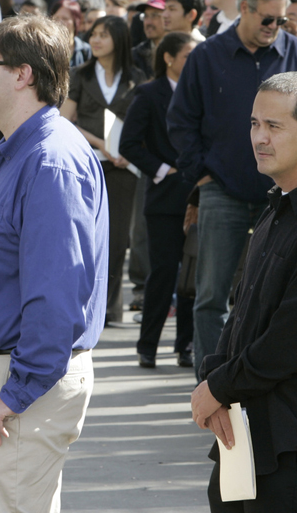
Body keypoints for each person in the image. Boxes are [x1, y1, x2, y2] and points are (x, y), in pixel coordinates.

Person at [0, 14, 107, 513]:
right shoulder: (26, 151)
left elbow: (58, 293)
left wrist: (14, 393)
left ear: (22, 75)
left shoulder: (49, 160)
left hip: (21, 381)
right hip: (5, 374)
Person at [191, 71, 297, 512]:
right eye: (254, 124)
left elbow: (289, 342)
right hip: (242, 433)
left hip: (291, 445)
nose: (259, 137)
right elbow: (242, 312)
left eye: (274, 126)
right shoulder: (279, 206)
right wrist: (214, 379)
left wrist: (218, 387)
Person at [167, 0, 297, 375]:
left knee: (276, 297)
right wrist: (202, 176)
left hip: (287, 195)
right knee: (211, 297)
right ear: (245, 9)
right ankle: (209, 385)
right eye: (268, 19)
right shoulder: (207, 56)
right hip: (223, 192)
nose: (275, 27)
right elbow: (181, 120)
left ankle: (257, 385)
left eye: (282, 20)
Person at [60, 15, 145, 323]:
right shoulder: (79, 75)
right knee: (82, 236)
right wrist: (99, 143)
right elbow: (63, 120)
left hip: (124, 167)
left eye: (103, 35)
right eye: (93, 34)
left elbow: (145, 122)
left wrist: (130, 153)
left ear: (119, 40)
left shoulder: (137, 78)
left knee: (117, 239)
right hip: (87, 162)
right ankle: (80, 304)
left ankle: (109, 308)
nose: (95, 40)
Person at [119, 32, 197, 367]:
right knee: (163, 273)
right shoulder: (149, 93)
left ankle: (186, 347)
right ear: (168, 58)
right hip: (164, 199)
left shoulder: (201, 91)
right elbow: (128, 144)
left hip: (198, 195)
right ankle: (148, 345)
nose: (193, 63)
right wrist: (163, 170)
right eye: (187, 56)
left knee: (193, 276)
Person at [132, 0, 167, 79]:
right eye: (145, 16)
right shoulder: (135, 55)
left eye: (154, 15)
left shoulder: (182, 52)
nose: (148, 22)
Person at [50, 0, 91, 67]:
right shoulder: (46, 48)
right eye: (56, 18)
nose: (59, 22)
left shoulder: (86, 50)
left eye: (65, 19)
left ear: (76, 22)